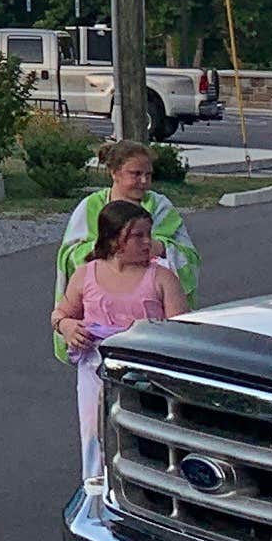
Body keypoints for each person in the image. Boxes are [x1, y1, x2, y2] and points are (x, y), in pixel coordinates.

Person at [53, 195, 188, 480]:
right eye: (137, 236)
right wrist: (67, 327)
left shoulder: (162, 278)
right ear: (114, 241)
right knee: (96, 434)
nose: (146, 242)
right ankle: (97, 490)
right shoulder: (86, 274)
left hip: (148, 374)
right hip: (96, 371)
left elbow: (181, 332)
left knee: (146, 437)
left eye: (148, 235)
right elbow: (60, 314)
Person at [50, 143, 197, 353]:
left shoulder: (161, 207)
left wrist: (163, 248)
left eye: (148, 174)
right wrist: (108, 250)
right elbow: (69, 254)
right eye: (136, 174)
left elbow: (188, 256)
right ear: (114, 173)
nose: (144, 181)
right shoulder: (90, 207)